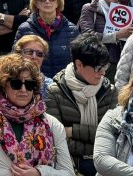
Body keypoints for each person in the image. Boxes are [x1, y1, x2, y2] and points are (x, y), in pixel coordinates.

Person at [0, 53, 74, 175]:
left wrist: (40, 173)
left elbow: (68, 173)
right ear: (3, 85)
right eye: (16, 84)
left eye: (29, 84)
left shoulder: (52, 124)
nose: (23, 90)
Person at [45, 33, 118, 176]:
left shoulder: (109, 91)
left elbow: (113, 134)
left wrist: (73, 131)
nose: (103, 72)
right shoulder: (55, 92)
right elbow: (56, 138)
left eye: (105, 66)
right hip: (69, 164)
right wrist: (95, 138)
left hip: (104, 163)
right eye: (98, 67)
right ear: (79, 64)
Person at [15, 0, 80, 78]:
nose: (47, 1)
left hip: (64, 87)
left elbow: (79, 63)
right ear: (36, 3)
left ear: (58, 2)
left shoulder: (72, 30)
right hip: (34, 86)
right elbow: (15, 60)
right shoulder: (24, 29)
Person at [78, 0, 133, 80]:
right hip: (94, 59)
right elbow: (87, 35)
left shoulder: (124, 12)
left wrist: (129, 33)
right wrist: (116, 35)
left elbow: (123, 38)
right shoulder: (89, 8)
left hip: (115, 61)